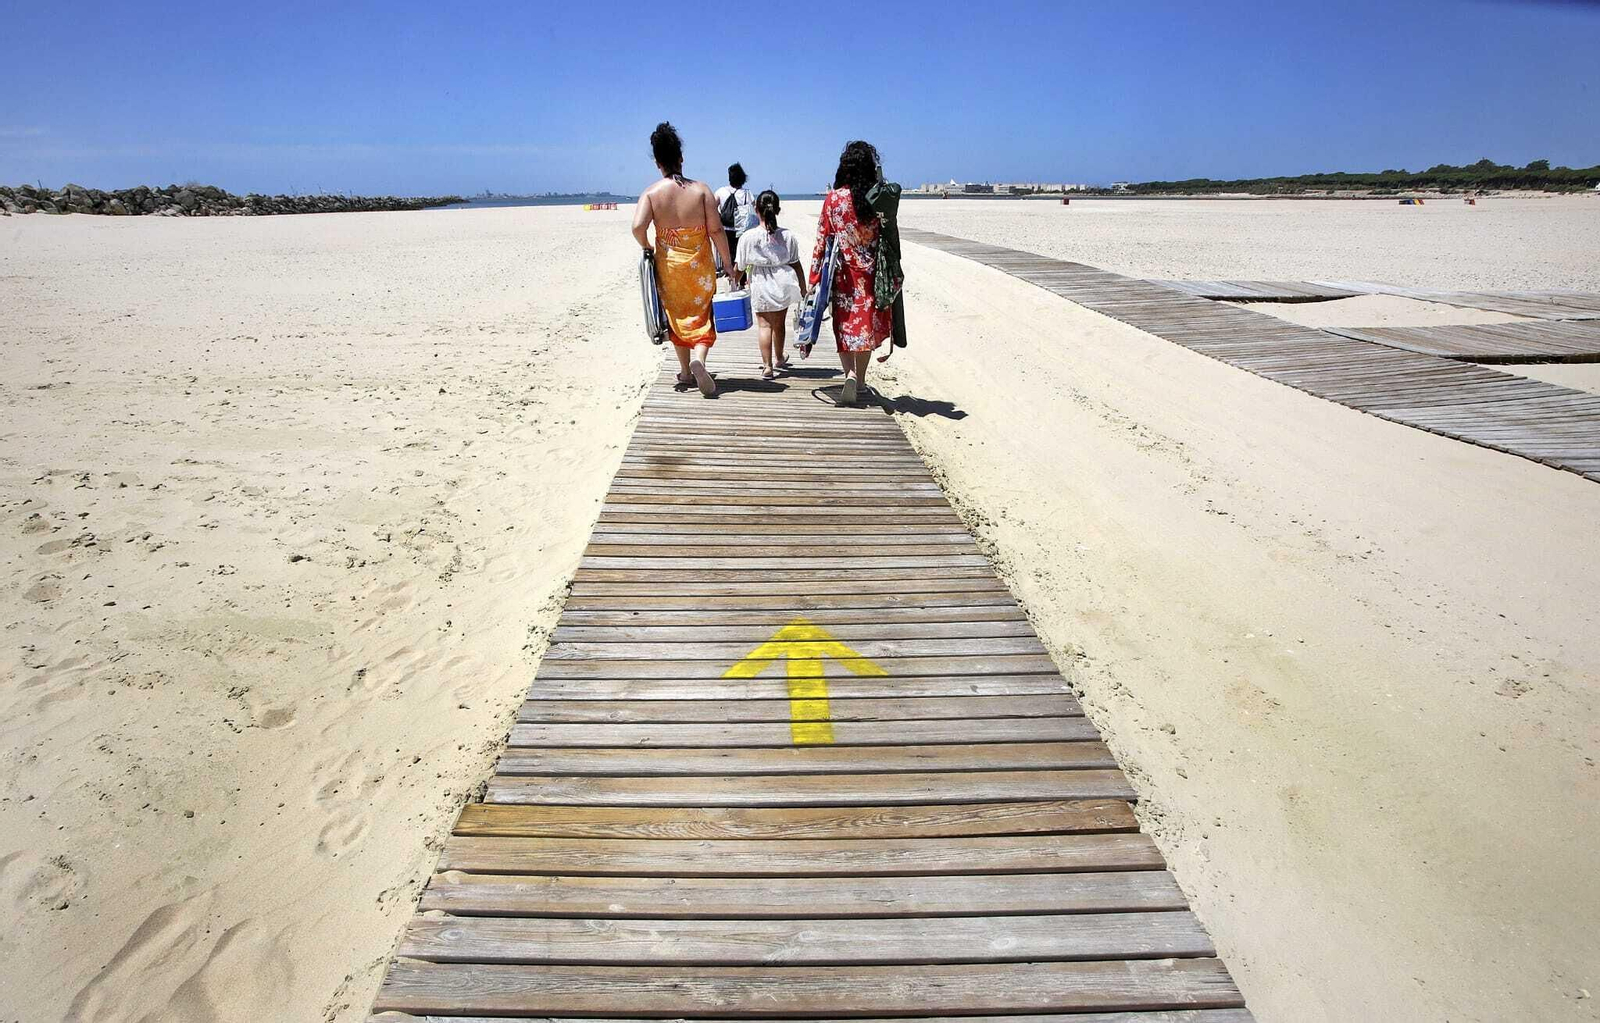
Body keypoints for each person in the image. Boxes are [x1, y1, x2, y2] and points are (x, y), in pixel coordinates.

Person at [631, 122, 741, 397]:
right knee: (703, 314)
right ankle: (699, 359)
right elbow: (716, 230)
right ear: (681, 158)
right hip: (699, 265)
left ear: (658, 163)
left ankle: (685, 371)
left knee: (677, 315)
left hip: (669, 268)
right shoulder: (701, 190)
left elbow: (637, 227)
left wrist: (647, 247)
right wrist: (728, 264)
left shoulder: (651, 193)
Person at [809, 140, 896, 405]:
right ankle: (860, 381)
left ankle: (849, 373)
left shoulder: (833, 199)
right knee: (864, 327)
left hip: (843, 275)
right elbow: (889, 235)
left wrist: (814, 277)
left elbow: (822, 239)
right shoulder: (877, 198)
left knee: (844, 326)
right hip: (870, 275)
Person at [735, 190, 806, 380]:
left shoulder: (748, 237)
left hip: (760, 283)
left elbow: (739, 266)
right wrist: (803, 286)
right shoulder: (788, 236)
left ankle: (767, 367)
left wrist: (734, 281)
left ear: (756, 209)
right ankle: (780, 358)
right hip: (783, 281)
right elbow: (796, 263)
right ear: (777, 210)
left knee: (764, 326)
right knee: (779, 324)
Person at [713, 163, 756, 266]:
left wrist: (719, 217)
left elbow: (712, 207)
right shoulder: (747, 193)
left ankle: (729, 272)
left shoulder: (721, 191)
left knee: (728, 255)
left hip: (725, 229)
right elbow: (754, 210)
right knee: (741, 256)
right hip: (742, 230)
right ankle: (740, 274)